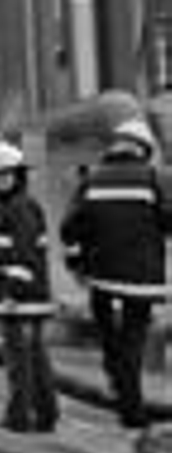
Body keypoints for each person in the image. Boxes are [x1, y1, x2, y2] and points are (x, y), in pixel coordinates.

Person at [60, 108, 172, 429]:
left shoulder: (91, 180)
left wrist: (76, 263)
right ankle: (131, 409)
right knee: (134, 340)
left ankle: (119, 384)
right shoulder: (154, 180)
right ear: (143, 149)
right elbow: (167, 221)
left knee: (111, 338)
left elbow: (70, 228)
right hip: (142, 280)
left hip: (103, 278)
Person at [0, 140, 58, 433]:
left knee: (21, 363)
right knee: (32, 359)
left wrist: (11, 293)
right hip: (25, 299)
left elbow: (23, 258)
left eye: (4, 176)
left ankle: (20, 419)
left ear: (16, 176)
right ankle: (43, 416)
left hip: (22, 300)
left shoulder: (19, 209)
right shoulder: (18, 207)